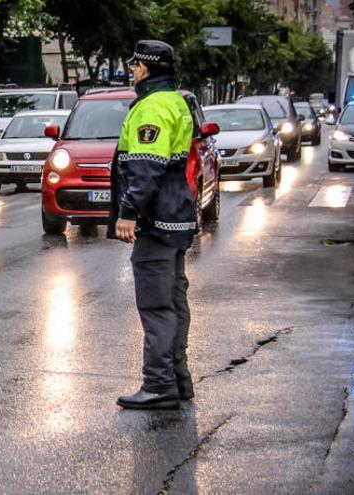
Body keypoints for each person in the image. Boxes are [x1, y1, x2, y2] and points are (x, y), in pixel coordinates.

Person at [108, 40, 197, 410]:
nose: (132, 73)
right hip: (176, 217)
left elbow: (145, 169)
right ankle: (178, 379)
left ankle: (159, 385)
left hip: (156, 222)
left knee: (157, 305)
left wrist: (127, 213)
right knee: (174, 301)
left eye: (134, 67)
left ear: (144, 69)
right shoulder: (176, 100)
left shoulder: (152, 108)